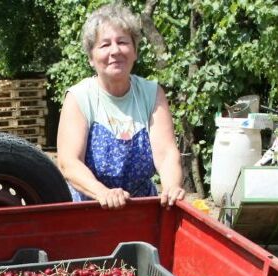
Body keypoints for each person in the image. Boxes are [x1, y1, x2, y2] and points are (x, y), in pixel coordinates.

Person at [56, 3, 185, 210]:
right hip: (89, 211)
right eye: (105, 45)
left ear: (135, 51)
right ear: (91, 57)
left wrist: (171, 187)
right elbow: (69, 162)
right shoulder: (79, 97)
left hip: (143, 210)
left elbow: (167, 153)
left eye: (123, 42)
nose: (115, 51)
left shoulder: (152, 93)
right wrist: (102, 192)